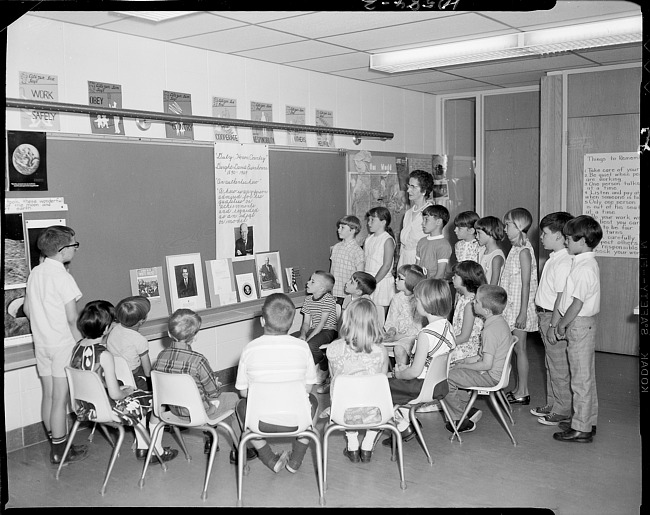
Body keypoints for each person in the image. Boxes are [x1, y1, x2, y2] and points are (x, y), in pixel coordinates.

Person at [70, 301, 178, 464]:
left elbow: (92, 379)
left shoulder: (77, 348)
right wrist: (125, 392)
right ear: (106, 328)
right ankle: (157, 451)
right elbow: (115, 394)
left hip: (83, 406)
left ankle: (143, 446)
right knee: (155, 403)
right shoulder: (103, 354)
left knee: (138, 399)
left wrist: (112, 386)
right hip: (105, 409)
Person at [23, 225, 88, 465]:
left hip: (42, 344)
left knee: (49, 396)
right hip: (62, 344)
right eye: (73, 245)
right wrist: (81, 343)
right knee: (61, 399)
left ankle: (56, 441)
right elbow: (72, 318)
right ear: (62, 251)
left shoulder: (36, 273)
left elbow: (28, 310)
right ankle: (61, 451)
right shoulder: (63, 277)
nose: (75, 250)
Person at [235, 293, 319, 473]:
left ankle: (269, 458)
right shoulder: (302, 347)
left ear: (262, 321)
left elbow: (243, 393)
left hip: (260, 422)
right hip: (298, 421)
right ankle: (295, 460)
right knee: (314, 401)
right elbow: (308, 387)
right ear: (291, 323)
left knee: (241, 406)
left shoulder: (249, 349)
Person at [152, 309, 248, 463]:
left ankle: (211, 441)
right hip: (199, 413)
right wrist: (216, 384)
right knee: (234, 399)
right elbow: (214, 393)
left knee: (208, 398)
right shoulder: (198, 360)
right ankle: (239, 449)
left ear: (169, 334)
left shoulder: (161, 357)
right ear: (194, 337)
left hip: (174, 411)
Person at [383, 278, 455, 446]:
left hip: (420, 386)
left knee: (379, 387)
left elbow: (415, 372)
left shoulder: (425, 334)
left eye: (417, 299)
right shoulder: (448, 326)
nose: (415, 303)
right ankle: (407, 421)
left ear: (426, 303)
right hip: (439, 384)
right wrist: (405, 368)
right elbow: (430, 362)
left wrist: (400, 372)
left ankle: (402, 426)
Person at [552, 215, 602, 444]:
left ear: (582, 241)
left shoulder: (584, 268)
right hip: (582, 324)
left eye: (569, 239)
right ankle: (585, 420)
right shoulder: (582, 262)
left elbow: (577, 304)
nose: (565, 242)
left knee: (580, 379)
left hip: (579, 324)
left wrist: (562, 324)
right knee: (584, 376)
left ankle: (581, 428)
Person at [325, 298, 390, 463]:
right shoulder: (380, 351)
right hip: (375, 412)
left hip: (343, 413)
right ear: (374, 322)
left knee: (344, 394)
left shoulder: (333, 348)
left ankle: (352, 445)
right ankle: (367, 445)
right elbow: (381, 385)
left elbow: (334, 382)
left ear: (346, 319)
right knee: (380, 395)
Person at [443, 284, 512, 433]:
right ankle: (466, 408)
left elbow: (486, 364)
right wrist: (466, 361)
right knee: (453, 370)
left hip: (490, 376)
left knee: (446, 378)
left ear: (486, 310)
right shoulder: (498, 322)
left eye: (477, 302)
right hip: (494, 373)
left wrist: (463, 367)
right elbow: (483, 355)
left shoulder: (490, 330)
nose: (473, 303)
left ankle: (460, 419)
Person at [532, 212, 574, 426]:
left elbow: (561, 297)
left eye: (545, 233)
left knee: (558, 366)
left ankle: (563, 409)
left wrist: (553, 325)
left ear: (559, 236)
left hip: (552, 316)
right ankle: (554, 403)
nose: (541, 237)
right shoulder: (554, 258)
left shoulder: (564, 261)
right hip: (545, 314)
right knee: (551, 364)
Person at [499, 207, 538, 405]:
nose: (505, 229)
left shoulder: (524, 251)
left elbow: (526, 284)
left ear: (520, 227)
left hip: (519, 308)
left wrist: (523, 313)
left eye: (509, 225)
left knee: (520, 349)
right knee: (515, 349)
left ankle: (523, 391)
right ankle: (518, 388)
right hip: (511, 307)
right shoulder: (514, 249)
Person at [295, 271, 338, 385]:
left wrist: (308, 340)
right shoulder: (308, 300)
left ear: (322, 289)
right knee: (292, 340)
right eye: (310, 280)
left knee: (311, 345)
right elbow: (306, 323)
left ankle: (323, 363)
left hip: (328, 330)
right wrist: (303, 334)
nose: (308, 283)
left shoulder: (328, 299)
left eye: (312, 281)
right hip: (315, 329)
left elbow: (322, 324)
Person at [106, 295, 153, 392]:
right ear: (141, 320)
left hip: (114, 374)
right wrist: (151, 384)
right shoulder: (139, 340)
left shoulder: (114, 328)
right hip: (135, 377)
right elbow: (147, 369)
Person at [383, 264, 426, 362]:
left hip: (414, 337)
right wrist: (391, 330)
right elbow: (391, 320)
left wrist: (398, 337)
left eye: (400, 278)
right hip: (397, 336)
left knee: (399, 349)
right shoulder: (397, 298)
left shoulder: (418, 300)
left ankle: (402, 374)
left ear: (410, 281)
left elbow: (417, 329)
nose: (396, 280)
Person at [450, 260, 487, 363]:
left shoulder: (471, 304)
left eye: (456, 276)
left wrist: (445, 343)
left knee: (435, 356)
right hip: (459, 343)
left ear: (466, 280)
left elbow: (464, 337)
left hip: (468, 350)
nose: (452, 278)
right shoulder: (462, 298)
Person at [364, 206, 396, 324]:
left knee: (381, 317)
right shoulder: (369, 239)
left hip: (381, 282)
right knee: (369, 316)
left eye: (373, 220)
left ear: (383, 222)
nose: (369, 223)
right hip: (369, 280)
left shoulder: (387, 240)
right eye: (369, 219)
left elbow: (386, 265)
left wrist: (373, 282)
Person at [397, 170, 434, 268]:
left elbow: (432, 244)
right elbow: (403, 245)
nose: (408, 190)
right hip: (404, 261)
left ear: (424, 190)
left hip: (420, 262)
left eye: (413, 187)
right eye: (408, 186)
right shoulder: (408, 213)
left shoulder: (431, 213)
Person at [330, 215, 365, 305]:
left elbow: (359, 275)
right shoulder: (336, 247)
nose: (338, 230)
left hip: (348, 295)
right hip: (335, 292)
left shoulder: (357, 251)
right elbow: (332, 269)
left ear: (352, 230)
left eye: (342, 227)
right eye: (339, 227)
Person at [415, 204, 452, 280]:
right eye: (423, 219)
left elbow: (440, 275)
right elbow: (417, 268)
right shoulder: (422, 242)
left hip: (435, 287)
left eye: (426, 220)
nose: (423, 223)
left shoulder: (443, 245)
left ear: (438, 222)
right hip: (421, 285)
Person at [475, 216, 506, 285]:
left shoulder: (497, 257)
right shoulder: (481, 251)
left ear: (490, 232)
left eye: (479, 233)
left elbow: (493, 285)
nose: (476, 237)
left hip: (491, 294)